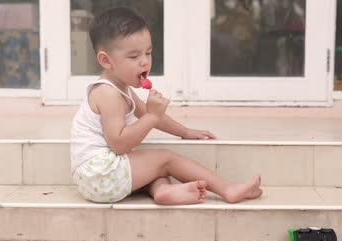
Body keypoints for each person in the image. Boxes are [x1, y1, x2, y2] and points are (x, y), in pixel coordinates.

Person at [70, 7, 262, 205]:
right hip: (100, 175)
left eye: (148, 52)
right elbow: (120, 145)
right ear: (106, 60)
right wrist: (152, 116)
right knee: (166, 159)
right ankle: (227, 189)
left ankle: (162, 190)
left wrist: (185, 132)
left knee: (151, 165)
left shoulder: (122, 88)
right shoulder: (107, 93)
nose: (144, 62)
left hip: (98, 178)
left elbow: (146, 112)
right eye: (134, 56)